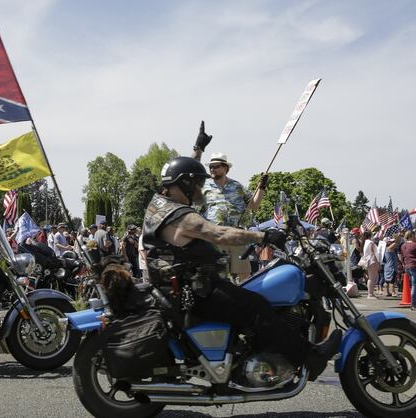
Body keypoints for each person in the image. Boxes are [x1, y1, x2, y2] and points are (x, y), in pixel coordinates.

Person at [142, 156, 340, 373]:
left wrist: (198, 150)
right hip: (194, 290)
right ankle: (310, 357)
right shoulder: (177, 214)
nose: (200, 188)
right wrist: (262, 236)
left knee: (245, 297)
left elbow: (250, 205)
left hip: (186, 286)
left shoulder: (160, 205)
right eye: (197, 183)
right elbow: (219, 232)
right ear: (185, 183)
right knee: (257, 307)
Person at [190, 122, 268, 280]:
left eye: (216, 166)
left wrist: (262, 187)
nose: (212, 169)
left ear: (225, 168)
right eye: (210, 167)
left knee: (244, 275)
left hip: (236, 236)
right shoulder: (203, 186)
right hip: (214, 237)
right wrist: (198, 148)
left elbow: (254, 205)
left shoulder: (237, 186)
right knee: (217, 276)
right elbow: (190, 169)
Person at [400, 230, 416, 311]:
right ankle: (414, 305)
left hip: (407, 266)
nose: (415, 237)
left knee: (412, 285)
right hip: (415, 266)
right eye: (414, 235)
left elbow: (403, 255)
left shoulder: (403, 245)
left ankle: (415, 304)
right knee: (415, 286)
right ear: (411, 236)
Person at [360, 230, 381, 299]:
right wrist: (377, 262)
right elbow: (372, 253)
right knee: (372, 278)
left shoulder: (365, 242)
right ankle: (370, 294)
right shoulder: (370, 242)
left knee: (372, 278)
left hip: (368, 261)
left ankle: (371, 293)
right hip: (372, 261)